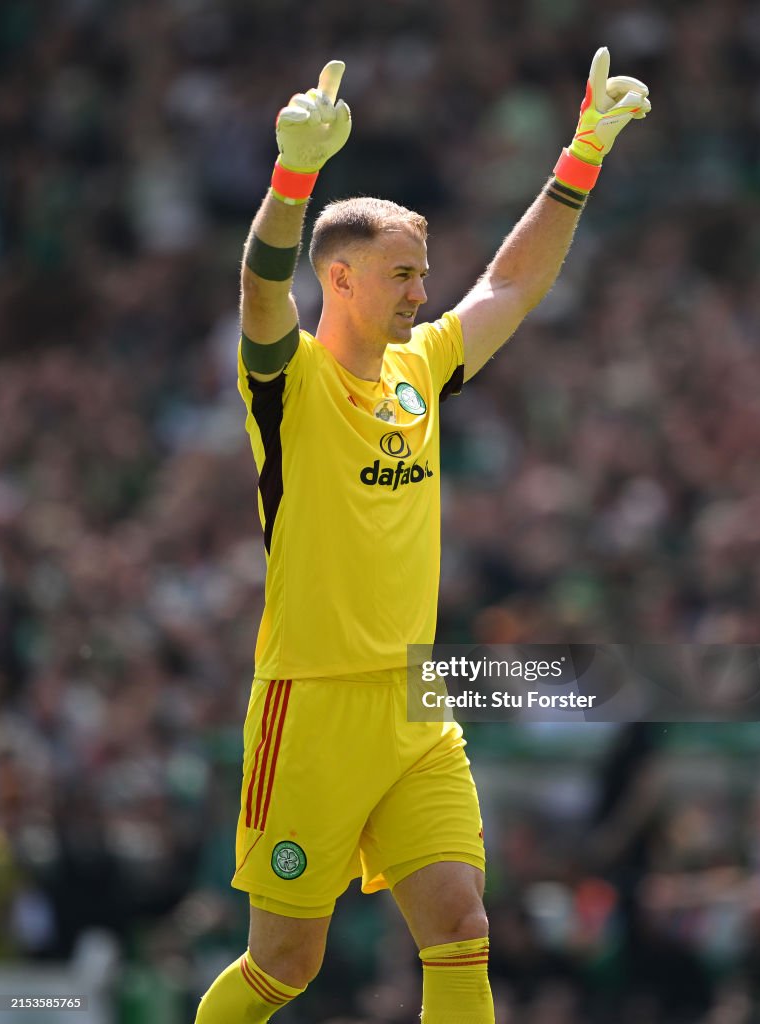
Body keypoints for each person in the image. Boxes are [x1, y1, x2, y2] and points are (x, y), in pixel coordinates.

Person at [195, 51, 650, 1024]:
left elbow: (509, 287)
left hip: (414, 702)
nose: (418, 293)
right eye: (402, 275)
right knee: (284, 967)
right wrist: (291, 179)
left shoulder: (421, 369)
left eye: (422, 276)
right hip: (312, 708)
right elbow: (260, 292)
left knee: (460, 923)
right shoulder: (291, 382)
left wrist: (578, 159)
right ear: (340, 278)